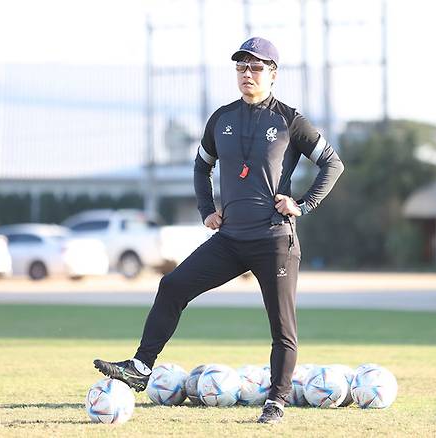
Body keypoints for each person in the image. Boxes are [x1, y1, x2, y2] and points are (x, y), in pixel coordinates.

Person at [94, 36, 344, 424]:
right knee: (172, 285)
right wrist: (207, 209)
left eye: (256, 67)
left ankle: (276, 402)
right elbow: (200, 167)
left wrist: (304, 204)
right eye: (241, 67)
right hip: (229, 240)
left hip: (275, 240)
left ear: (273, 74)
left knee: (281, 326)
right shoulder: (221, 118)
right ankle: (141, 368)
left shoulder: (290, 120)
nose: (247, 73)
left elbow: (332, 163)